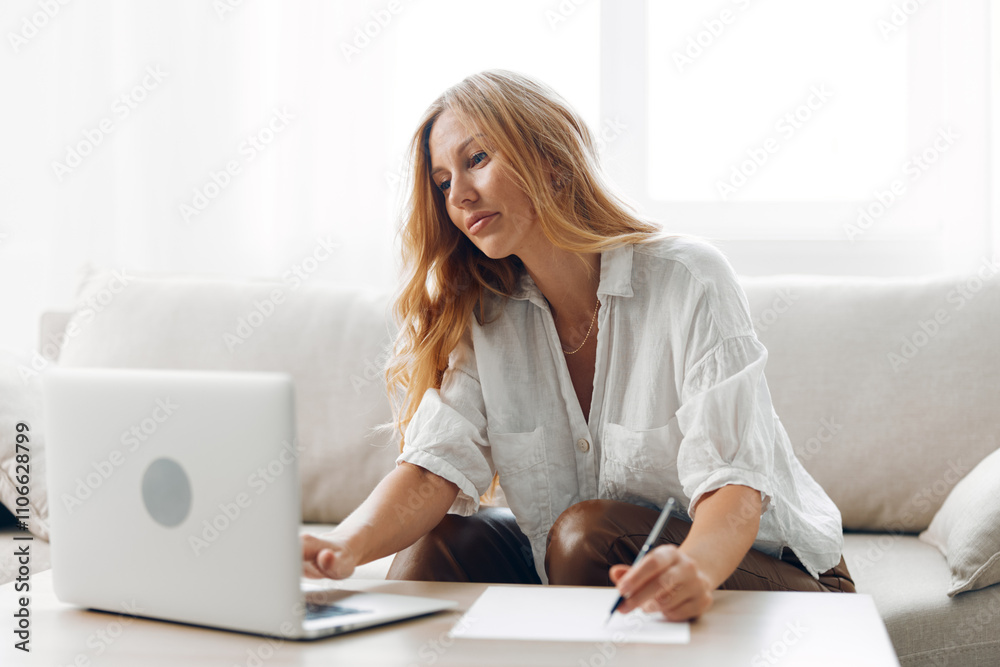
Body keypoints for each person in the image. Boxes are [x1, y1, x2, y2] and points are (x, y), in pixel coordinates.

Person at [302, 69, 854, 622]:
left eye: (477, 159)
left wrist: (695, 567)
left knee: (585, 535)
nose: (460, 195)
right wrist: (341, 547)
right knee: (442, 542)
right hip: (588, 566)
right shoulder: (489, 313)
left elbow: (734, 482)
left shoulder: (689, 278)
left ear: (553, 161)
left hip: (768, 573)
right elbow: (431, 471)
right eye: (444, 182)